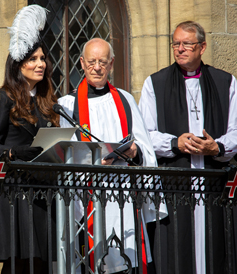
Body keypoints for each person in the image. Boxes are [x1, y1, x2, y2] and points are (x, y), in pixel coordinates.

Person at [138, 21, 237, 274]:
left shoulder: (225, 81)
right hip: (174, 182)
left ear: (202, 47)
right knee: (176, 248)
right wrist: (175, 143)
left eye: (186, 44)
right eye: (176, 43)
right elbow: (144, 134)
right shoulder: (155, 83)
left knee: (215, 248)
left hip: (214, 184)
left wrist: (215, 147)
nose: (179, 49)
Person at [58, 38, 167, 273]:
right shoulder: (67, 105)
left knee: (126, 261)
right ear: (82, 63)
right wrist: (95, 161)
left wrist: (135, 152)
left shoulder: (126, 100)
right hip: (86, 197)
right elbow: (64, 156)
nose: (97, 67)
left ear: (112, 64)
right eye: (92, 61)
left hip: (124, 197)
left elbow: (146, 149)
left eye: (103, 62)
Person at [0, 5, 59, 274]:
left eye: (43, 58)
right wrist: (16, 153)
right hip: (16, 192)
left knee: (41, 264)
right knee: (19, 263)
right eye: (33, 59)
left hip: (43, 191)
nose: (40, 64)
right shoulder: (2, 98)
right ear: (18, 64)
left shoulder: (49, 101)